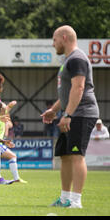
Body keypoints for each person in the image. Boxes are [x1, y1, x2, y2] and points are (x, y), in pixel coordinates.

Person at [41, 25, 99, 209]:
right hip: (71, 113)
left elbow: (79, 88)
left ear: (64, 38)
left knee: (76, 155)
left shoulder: (77, 59)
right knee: (65, 156)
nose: (53, 44)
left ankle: (76, 200)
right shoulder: (68, 60)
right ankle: (65, 198)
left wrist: (68, 115)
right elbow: (67, 92)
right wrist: (54, 110)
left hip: (81, 114)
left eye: (54, 39)